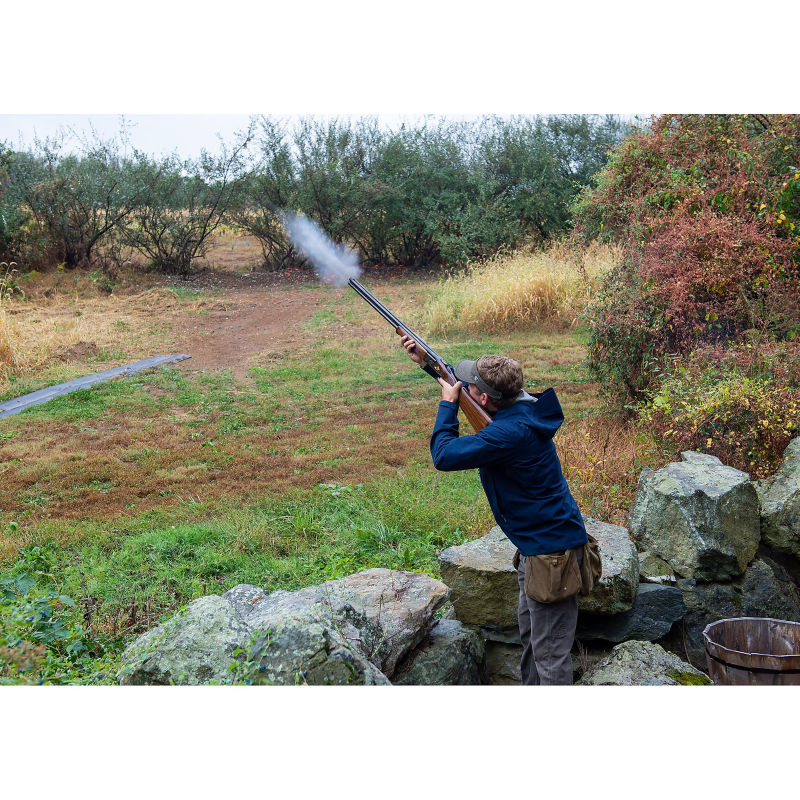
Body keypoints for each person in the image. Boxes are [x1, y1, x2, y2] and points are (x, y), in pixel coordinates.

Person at [400, 333, 588, 686]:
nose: (463, 385)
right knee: (534, 643)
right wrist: (427, 362)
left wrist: (446, 405)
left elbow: (443, 456)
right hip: (540, 550)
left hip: (552, 557)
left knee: (550, 658)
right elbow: (466, 387)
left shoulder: (508, 434)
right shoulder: (524, 406)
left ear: (486, 398)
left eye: (471, 387)